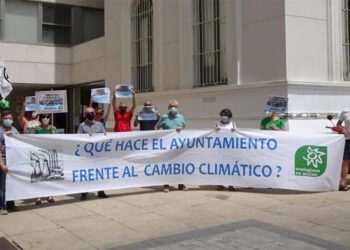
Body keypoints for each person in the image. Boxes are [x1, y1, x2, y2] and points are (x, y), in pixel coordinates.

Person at [155, 99, 188, 192]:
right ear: (169, 108)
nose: (173, 108)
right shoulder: (164, 117)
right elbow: (156, 127)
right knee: (167, 165)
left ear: (178, 108)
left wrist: (182, 129)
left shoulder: (181, 117)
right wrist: (160, 134)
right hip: (167, 146)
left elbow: (186, 128)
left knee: (179, 165)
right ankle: (166, 184)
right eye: (171, 106)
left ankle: (181, 184)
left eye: (175, 106)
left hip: (179, 146)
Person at [77, 107, 108, 200]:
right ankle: (84, 192)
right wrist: (86, 137)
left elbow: (105, 135)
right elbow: (78, 138)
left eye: (92, 112)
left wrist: (106, 134)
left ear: (95, 114)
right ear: (85, 115)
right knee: (86, 173)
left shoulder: (100, 124)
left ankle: (101, 191)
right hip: (87, 155)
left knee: (99, 173)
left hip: (98, 154)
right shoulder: (82, 126)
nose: (91, 114)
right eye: (88, 113)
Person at [34, 114, 56, 204]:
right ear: (40, 119)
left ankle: (50, 195)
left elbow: (56, 140)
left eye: (47, 117)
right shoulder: (37, 129)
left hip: (49, 152)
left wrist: (52, 132)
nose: (45, 119)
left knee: (48, 174)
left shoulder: (53, 128)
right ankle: (38, 196)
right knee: (38, 174)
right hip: (39, 152)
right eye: (43, 117)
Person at [0, 110, 19, 215]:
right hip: (3, 160)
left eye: (10, 118)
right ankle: (1, 206)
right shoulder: (0, 131)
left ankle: (11, 204)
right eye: (6, 118)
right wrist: (2, 164)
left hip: (13, 161)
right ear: (1, 119)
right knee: (2, 186)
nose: (8, 120)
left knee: (11, 183)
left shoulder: (14, 129)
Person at [215, 108, 236, 191]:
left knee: (230, 167)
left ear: (229, 116)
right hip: (220, 150)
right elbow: (213, 135)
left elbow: (237, 135)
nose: (224, 117)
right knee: (220, 167)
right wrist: (215, 131)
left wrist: (235, 131)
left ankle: (231, 184)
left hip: (230, 149)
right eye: (223, 115)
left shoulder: (233, 124)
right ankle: (220, 184)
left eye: (226, 115)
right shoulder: (218, 124)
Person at [336, 108, 350, 191]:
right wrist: (342, 128)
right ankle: (343, 181)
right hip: (348, 139)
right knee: (345, 161)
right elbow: (338, 124)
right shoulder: (345, 111)